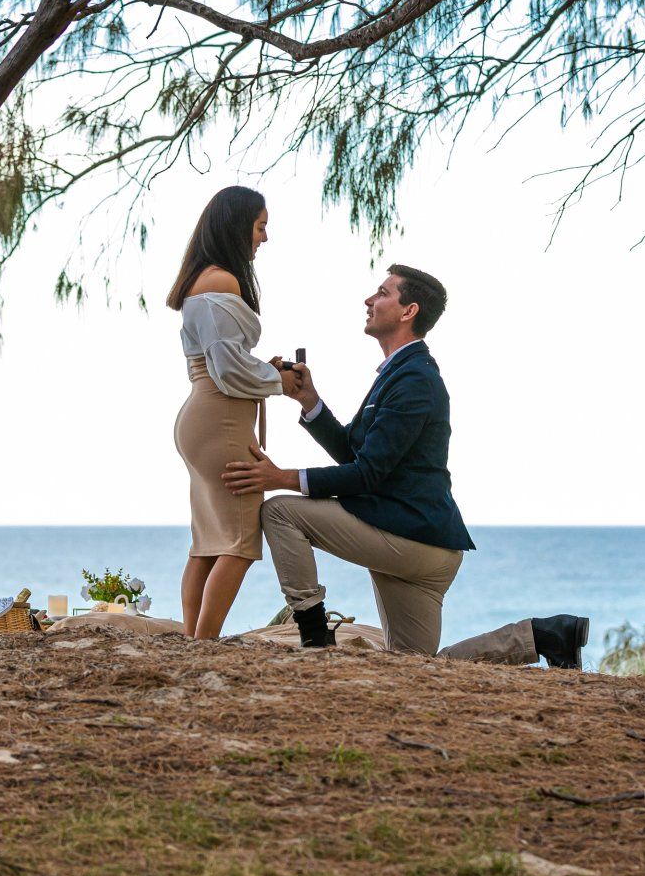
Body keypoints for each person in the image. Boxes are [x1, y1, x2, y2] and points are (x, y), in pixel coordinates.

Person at [220, 265, 591, 668]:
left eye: (381, 293)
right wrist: (310, 401)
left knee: (280, 511)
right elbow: (358, 456)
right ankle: (546, 634)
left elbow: (366, 475)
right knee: (416, 664)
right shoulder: (401, 372)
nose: (368, 300)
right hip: (423, 544)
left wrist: (282, 478)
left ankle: (313, 634)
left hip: (412, 539)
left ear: (408, 311)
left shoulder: (415, 378)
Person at [167, 185, 282, 639]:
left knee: (207, 543)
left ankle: (192, 639)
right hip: (222, 419)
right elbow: (230, 369)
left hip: (204, 418)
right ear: (237, 227)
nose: (265, 238)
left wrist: (264, 371)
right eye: (260, 226)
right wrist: (280, 381)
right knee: (237, 541)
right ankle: (203, 644)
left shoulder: (204, 280)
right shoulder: (221, 281)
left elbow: (224, 360)